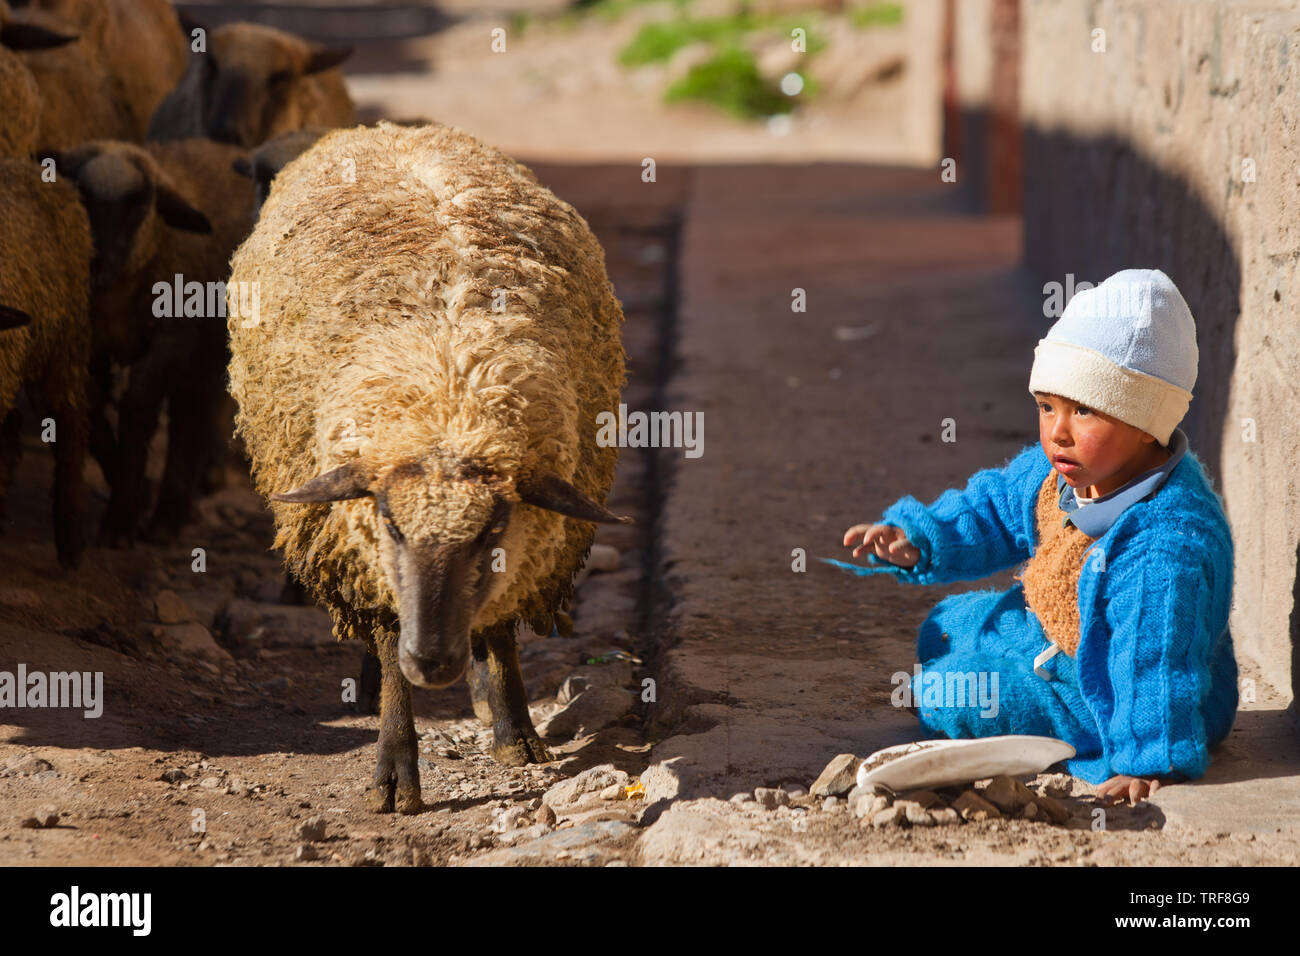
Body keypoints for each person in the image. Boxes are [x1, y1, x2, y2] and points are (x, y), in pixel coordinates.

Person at [834, 269, 1238, 807]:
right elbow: (994, 505)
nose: (1057, 432)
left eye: (1084, 410)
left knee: (949, 690)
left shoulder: (1164, 545)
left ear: (1146, 424)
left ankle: (1061, 723)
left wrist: (1148, 760)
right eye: (1047, 407)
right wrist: (920, 538)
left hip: (1111, 697)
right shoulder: (1064, 472)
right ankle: (988, 669)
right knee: (945, 627)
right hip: (1052, 641)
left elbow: (1155, 656)